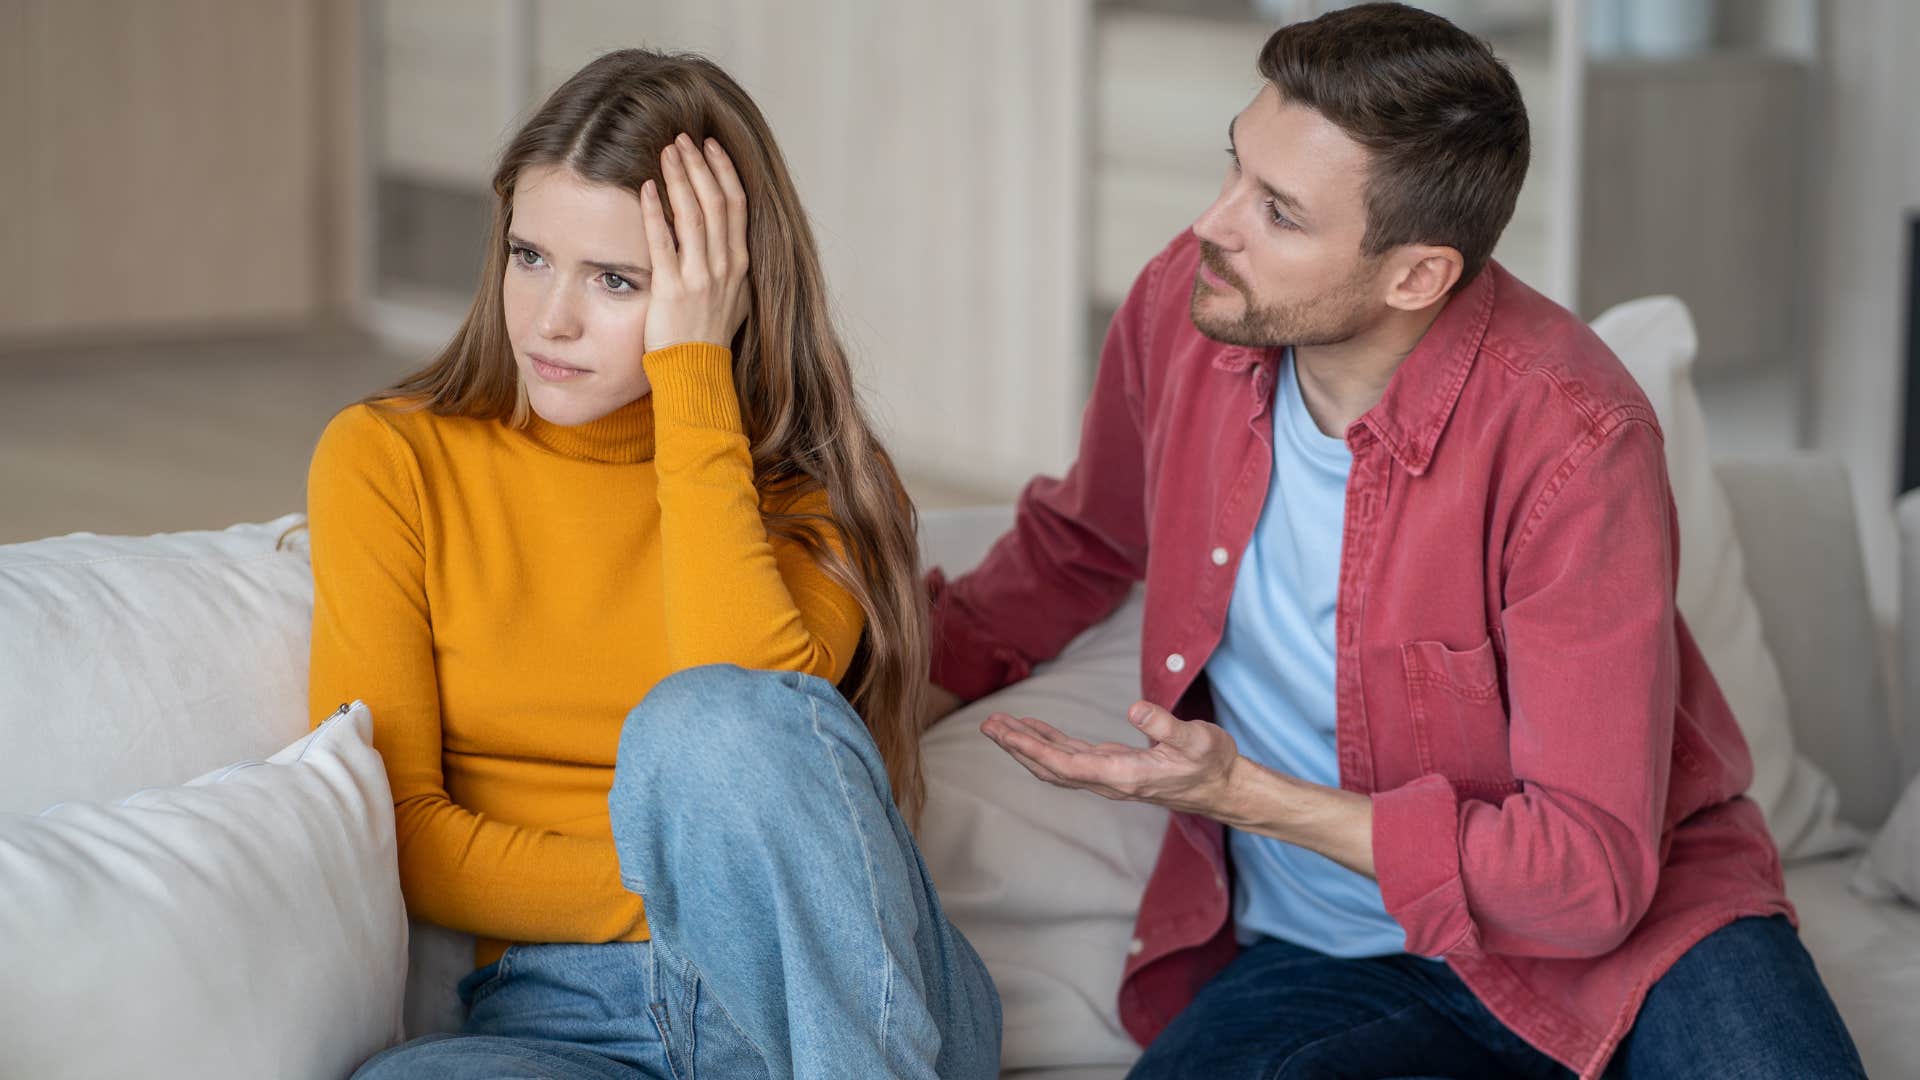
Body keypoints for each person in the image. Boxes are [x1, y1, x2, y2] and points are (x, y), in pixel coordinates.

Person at [921, 5, 1864, 1078]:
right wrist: (860, 706)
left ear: (1416, 276)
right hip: (1332, 959)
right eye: (1236, 166)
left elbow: (1590, 879)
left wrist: (1245, 798)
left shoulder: (1576, 440)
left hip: (1643, 946)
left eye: (1278, 212)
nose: (1213, 224)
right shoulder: (1181, 313)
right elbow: (1073, 548)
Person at [307, 48, 1000, 1080]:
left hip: (824, 1005)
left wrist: (691, 377)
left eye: (618, 280)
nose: (552, 320)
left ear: (720, 294)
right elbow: (400, 833)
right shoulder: (391, 459)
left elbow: (747, 711)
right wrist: (698, 887)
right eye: (530, 256)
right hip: (562, 1014)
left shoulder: (823, 494)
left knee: (706, 720)